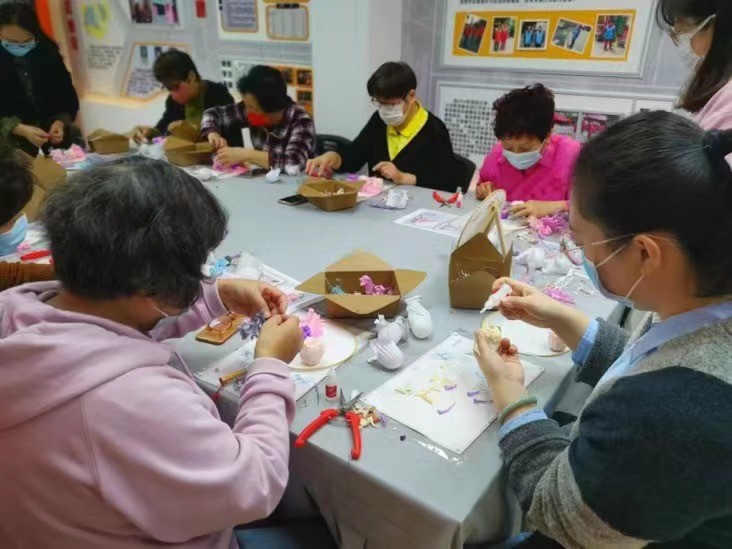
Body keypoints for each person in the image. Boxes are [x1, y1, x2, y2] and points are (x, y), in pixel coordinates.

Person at [0, 159, 309, 547]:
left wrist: (214, 296)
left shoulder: (16, 315)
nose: (199, 277)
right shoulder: (129, 400)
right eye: (195, 269)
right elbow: (255, 484)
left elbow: (117, 322)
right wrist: (270, 367)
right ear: (151, 285)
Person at [475, 111, 732, 548]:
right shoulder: (699, 302)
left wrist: (510, 395)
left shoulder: (673, 415)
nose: (581, 255)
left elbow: (558, 513)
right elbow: (654, 363)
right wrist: (562, 318)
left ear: (646, 254)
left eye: (581, 243)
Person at [306, 62, 468, 192]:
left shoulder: (433, 129)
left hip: (416, 210)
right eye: (379, 103)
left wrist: (403, 177)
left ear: (411, 96)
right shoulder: (379, 121)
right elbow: (355, 157)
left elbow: (447, 181)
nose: (384, 110)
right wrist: (333, 158)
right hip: (378, 207)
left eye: (390, 104)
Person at [475, 84, 581, 218]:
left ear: (548, 135)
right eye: (508, 148)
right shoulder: (495, 156)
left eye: (525, 149)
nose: (516, 154)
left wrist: (557, 206)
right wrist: (483, 189)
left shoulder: (571, 156)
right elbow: (482, 186)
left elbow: (593, 209)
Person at [0, 2, 82, 156]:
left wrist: (59, 123)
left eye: (26, 41)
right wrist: (19, 129)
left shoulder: (47, 54)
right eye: (12, 42)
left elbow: (66, 99)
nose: (20, 47)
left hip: (51, 149)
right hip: (9, 152)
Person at [201, 65, 316, 171]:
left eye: (251, 107)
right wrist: (212, 133)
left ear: (270, 106)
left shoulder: (301, 121)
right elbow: (213, 114)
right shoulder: (252, 112)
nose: (246, 111)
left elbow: (294, 163)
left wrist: (244, 154)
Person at [658, 0, 732, 130]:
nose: (681, 44)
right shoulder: (709, 88)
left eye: (683, 33)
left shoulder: (728, 103)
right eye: (676, 34)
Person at [132, 49, 234, 143]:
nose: (173, 94)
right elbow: (164, 127)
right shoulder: (173, 102)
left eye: (176, 87)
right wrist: (150, 133)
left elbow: (232, 140)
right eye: (169, 89)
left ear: (191, 77)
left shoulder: (219, 96)